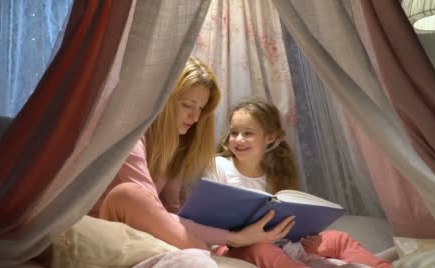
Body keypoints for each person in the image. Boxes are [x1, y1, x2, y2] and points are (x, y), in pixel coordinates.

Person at [207, 98, 394, 268]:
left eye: (248, 133)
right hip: (237, 248)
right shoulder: (218, 166)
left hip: (280, 244)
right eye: (234, 132)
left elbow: (288, 225)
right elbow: (209, 219)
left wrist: (309, 244)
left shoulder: (276, 173)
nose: (238, 139)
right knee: (264, 248)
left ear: (271, 138)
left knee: (339, 238)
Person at [90, 57, 295, 254]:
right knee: (128, 194)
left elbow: (171, 213)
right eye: (187, 105)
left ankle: (207, 257)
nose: (195, 117)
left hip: (144, 234)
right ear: (165, 100)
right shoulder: (132, 138)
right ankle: (210, 261)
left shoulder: (175, 147)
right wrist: (233, 237)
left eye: (201, 109)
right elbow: (150, 209)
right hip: (105, 228)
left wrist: (228, 238)